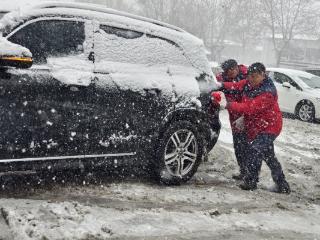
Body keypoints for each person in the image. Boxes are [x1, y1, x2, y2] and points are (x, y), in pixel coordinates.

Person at [215, 62, 291, 194]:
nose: (252, 79)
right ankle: (282, 185)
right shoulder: (248, 83)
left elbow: (249, 107)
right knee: (269, 156)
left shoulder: (268, 92)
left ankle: (251, 181)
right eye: (250, 76)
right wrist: (220, 85)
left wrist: (228, 104)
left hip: (270, 126)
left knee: (254, 150)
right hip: (258, 125)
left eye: (255, 76)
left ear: (263, 75)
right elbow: (235, 86)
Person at [216, 59, 248, 180]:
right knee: (238, 145)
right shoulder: (221, 79)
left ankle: (251, 172)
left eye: (232, 70)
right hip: (234, 116)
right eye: (227, 72)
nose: (230, 73)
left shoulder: (247, 75)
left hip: (248, 115)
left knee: (249, 145)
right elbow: (218, 93)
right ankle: (243, 171)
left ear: (236, 68)